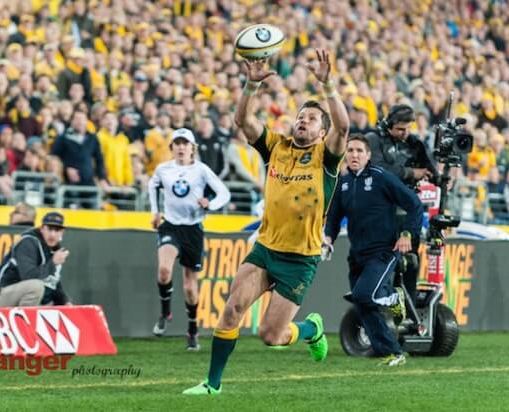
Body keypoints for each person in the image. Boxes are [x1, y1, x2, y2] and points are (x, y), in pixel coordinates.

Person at [184, 49, 349, 395]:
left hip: (299, 259)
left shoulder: (326, 158)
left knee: (271, 336)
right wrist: (250, 86)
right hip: (265, 249)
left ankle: (310, 330)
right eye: (301, 116)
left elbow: (345, 125)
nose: (303, 121)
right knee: (232, 309)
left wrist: (328, 85)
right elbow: (243, 122)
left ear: (322, 133)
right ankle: (212, 385)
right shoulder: (277, 146)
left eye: (312, 120)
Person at [323, 134, 423, 366]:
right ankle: (392, 352)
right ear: (345, 155)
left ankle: (394, 297)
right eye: (350, 151)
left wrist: (408, 234)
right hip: (357, 253)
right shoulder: (343, 182)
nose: (354, 155)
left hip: (384, 251)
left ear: (368, 156)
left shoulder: (381, 178)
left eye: (359, 151)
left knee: (363, 295)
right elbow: (334, 217)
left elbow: (414, 204)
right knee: (364, 304)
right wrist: (328, 238)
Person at [148, 127, 230, 351]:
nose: (181, 147)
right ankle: (166, 312)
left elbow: (224, 193)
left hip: (193, 229)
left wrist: (210, 204)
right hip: (171, 225)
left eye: (186, 144)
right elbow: (152, 185)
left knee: (190, 287)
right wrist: (155, 212)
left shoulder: (201, 170)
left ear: (192, 148)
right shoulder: (163, 169)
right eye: (178, 143)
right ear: (172, 148)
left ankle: (192, 329)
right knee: (164, 271)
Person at [366, 104, 438, 303]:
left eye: (408, 128)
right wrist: (410, 173)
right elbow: (378, 169)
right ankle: (380, 303)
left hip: (408, 212)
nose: (405, 133)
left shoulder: (415, 144)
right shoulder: (374, 140)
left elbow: (432, 172)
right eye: (400, 129)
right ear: (389, 125)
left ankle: (408, 306)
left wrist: (440, 172)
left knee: (411, 262)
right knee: (385, 262)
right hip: (381, 211)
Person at [0, 212, 72, 307]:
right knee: (36, 287)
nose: (53, 234)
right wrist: (53, 263)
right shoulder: (28, 242)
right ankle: (24, 320)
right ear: (42, 229)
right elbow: (28, 276)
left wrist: (65, 301)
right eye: (49, 229)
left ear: (62, 232)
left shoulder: (53, 249)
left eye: (57, 230)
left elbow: (52, 281)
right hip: (1, 295)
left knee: (57, 307)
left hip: (22, 295)